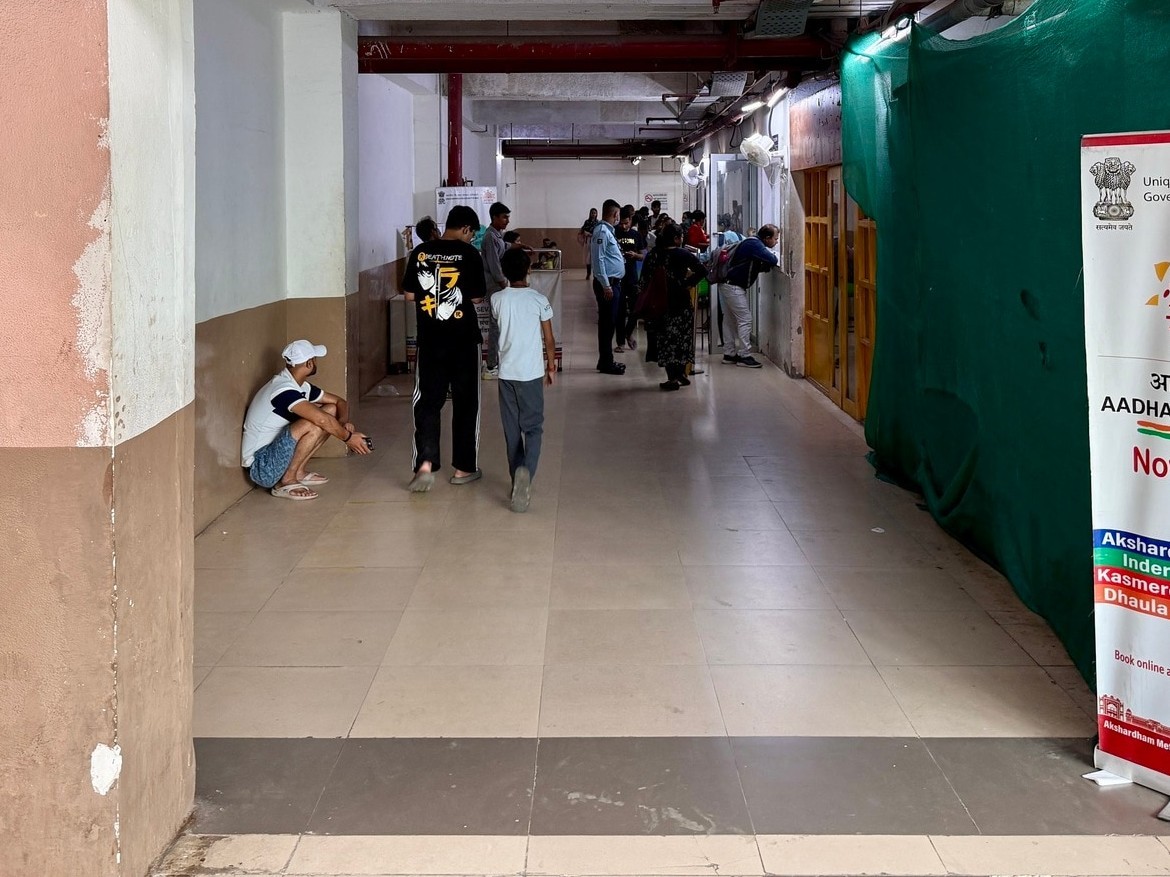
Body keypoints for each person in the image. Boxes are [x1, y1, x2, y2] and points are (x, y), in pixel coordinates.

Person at [402, 204, 488, 491]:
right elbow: (477, 298)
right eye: (471, 233)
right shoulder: (470, 254)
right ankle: (463, 469)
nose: (471, 238)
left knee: (427, 403)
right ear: (465, 229)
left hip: (431, 340)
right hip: (464, 341)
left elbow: (409, 295)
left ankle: (425, 465)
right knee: (466, 403)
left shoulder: (421, 252)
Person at [241, 340, 371, 501]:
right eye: (315, 359)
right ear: (309, 363)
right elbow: (321, 420)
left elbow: (339, 402)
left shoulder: (299, 386)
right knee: (314, 421)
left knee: (330, 410)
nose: (316, 362)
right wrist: (348, 438)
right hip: (261, 467)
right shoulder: (282, 389)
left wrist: (343, 423)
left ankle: (298, 472)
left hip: (274, 454)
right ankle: (286, 481)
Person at [491, 248, 557, 513]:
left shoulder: (497, 299)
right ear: (529, 270)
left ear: (504, 272)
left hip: (506, 374)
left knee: (512, 431)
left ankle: (516, 477)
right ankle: (526, 473)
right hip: (531, 374)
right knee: (533, 428)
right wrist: (551, 366)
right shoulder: (539, 300)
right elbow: (549, 339)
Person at [639, 225, 705, 391]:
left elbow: (644, 280)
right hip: (682, 302)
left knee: (666, 340)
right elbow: (703, 271)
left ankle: (672, 378)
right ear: (676, 239)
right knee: (683, 338)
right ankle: (681, 372)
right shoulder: (684, 254)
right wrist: (687, 283)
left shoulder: (654, 255)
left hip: (661, 304)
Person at [720, 224, 780, 369]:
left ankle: (729, 354)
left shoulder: (751, 242)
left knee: (729, 320)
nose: (777, 241)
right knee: (745, 320)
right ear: (767, 238)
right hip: (734, 287)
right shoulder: (755, 244)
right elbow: (772, 260)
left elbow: (753, 264)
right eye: (775, 238)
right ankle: (744, 355)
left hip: (728, 284)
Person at [590, 199, 626, 375]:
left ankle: (606, 360)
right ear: (615, 214)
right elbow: (598, 260)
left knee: (609, 323)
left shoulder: (608, 231)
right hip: (608, 284)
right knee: (607, 324)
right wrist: (606, 285)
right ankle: (606, 362)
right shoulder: (602, 231)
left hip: (613, 283)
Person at [480, 201, 511, 379]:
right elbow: (494, 265)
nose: (507, 220)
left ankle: (497, 360)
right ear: (494, 218)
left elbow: (504, 247)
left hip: (498, 285)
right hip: (494, 286)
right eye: (504, 217)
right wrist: (504, 285)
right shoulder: (490, 237)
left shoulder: (497, 235)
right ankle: (491, 365)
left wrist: (518, 246)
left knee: (500, 324)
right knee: (495, 325)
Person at [614, 212, 646, 352]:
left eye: (626, 223)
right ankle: (620, 342)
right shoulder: (614, 233)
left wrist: (635, 255)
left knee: (636, 308)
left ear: (631, 221)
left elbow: (643, 255)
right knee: (620, 311)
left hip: (632, 277)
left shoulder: (636, 235)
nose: (623, 226)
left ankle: (628, 332)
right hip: (618, 277)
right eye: (621, 223)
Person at [578, 208, 599, 280]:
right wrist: (586, 233)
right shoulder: (587, 222)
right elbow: (583, 230)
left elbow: (598, 232)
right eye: (592, 213)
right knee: (588, 258)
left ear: (596, 214)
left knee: (594, 258)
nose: (593, 214)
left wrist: (592, 234)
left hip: (595, 241)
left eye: (595, 213)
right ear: (590, 213)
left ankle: (595, 274)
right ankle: (588, 273)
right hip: (588, 241)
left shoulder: (598, 222)